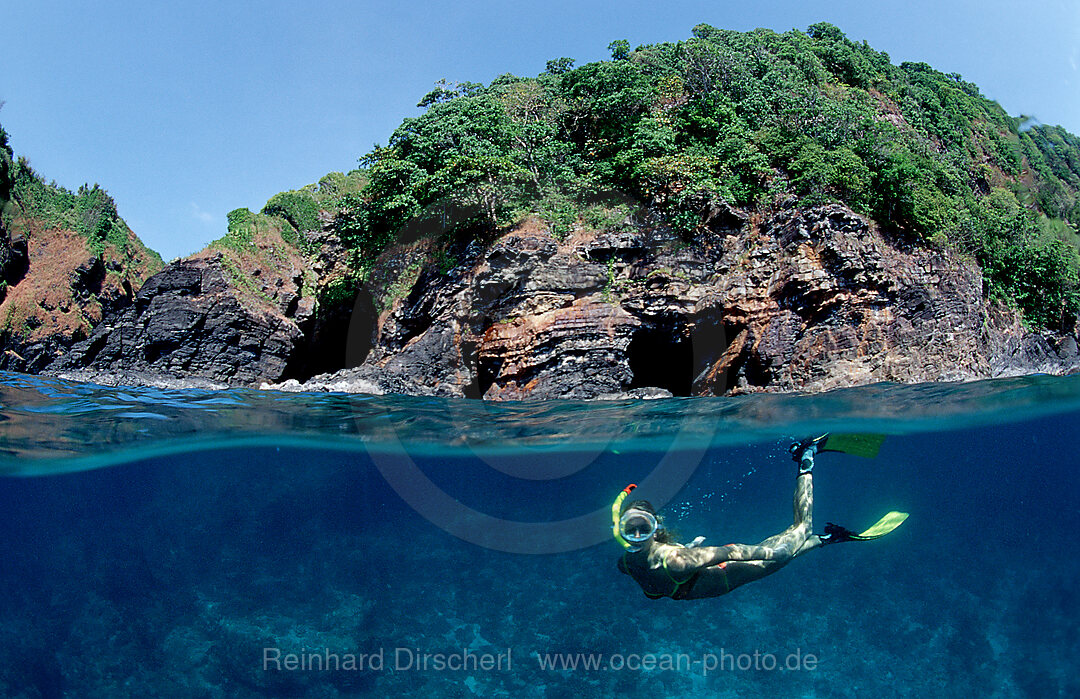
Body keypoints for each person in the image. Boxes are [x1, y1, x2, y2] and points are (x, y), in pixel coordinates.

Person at [613, 435, 907, 600]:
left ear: (656, 528)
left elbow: (730, 552)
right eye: (631, 530)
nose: (636, 536)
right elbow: (655, 582)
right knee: (789, 549)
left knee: (800, 530)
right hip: (700, 574)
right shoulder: (626, 563)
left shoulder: (672, 561)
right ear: (622, 531)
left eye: (643, 528)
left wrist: (772, 553)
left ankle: (807, 457)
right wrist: (686, 553)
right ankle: (828, 538)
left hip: (723, 574)